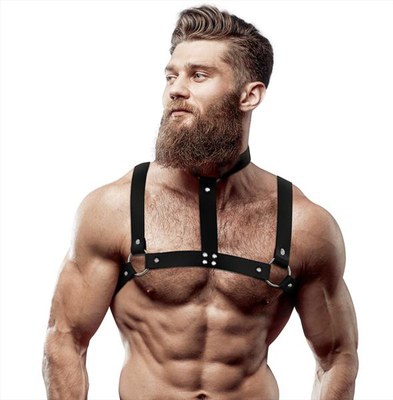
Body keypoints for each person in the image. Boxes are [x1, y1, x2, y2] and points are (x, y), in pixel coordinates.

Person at [42, 5, 358, 400]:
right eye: (171, 76)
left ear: (250, 95)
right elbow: (65, 337)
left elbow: (337, 356)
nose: (176, 89)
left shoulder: (304, 224)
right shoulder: (114, 209)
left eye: (198, 75)